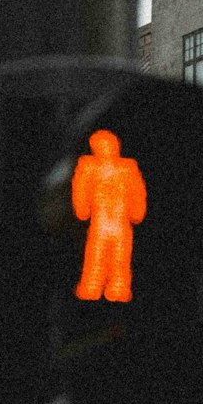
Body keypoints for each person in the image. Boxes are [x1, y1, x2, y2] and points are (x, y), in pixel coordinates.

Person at [72, 129, 147, 302]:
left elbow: (137, 190)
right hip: (101, 219)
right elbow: (80, 189)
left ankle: (118, 288)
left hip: (120, 220)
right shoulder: (89, 167)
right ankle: (91, 287)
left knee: (120, 258)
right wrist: (82, 209)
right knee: (96, 255)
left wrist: (137, 211)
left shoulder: (126, 168)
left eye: (107, 145)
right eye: (100, 146)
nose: (104, 149)